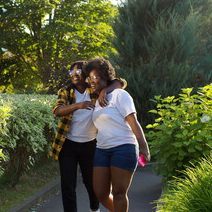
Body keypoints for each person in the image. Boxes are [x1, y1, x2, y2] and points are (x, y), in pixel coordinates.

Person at [50, 60, 126, 212]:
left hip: (90, 145)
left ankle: (94, 209)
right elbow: (57, 111)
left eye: (78, 71)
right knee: (68, 186)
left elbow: (121, 82)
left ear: (85, 73)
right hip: (68, 145)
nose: (74, 75)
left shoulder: (94, 89)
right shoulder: (65, 91)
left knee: (92, 184)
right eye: (71, 72)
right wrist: (78, 105)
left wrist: (105, 91)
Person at [83, 58, 150, 212]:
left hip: (123, 147)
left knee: (119, 193)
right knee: (100, 192)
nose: (91, 82)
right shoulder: (97, 99)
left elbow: (133, 122)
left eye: (95, 78)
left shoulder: (120, 95)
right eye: (89, 79)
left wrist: (144, 147)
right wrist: (104, 90)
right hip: (102, 149)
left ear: (105, 77)